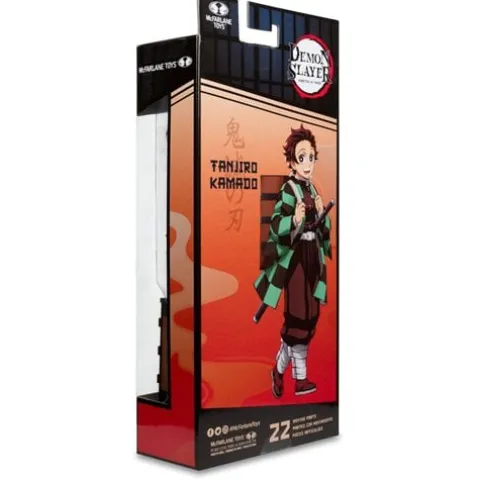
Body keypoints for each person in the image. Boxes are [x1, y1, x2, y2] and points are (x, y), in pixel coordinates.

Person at [254, 124, 332, 397]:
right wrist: (295, 219)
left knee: (310, 316)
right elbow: (276, 226)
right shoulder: (289, 190)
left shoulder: (313, 189)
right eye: (301, 157)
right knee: (298, 317)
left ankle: (278, 369)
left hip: (313, 260)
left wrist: (322, 215)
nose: (308, 163)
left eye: (311, 157)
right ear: (291, 162)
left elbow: (324, 232)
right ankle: (300, 379)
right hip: (296, 261)